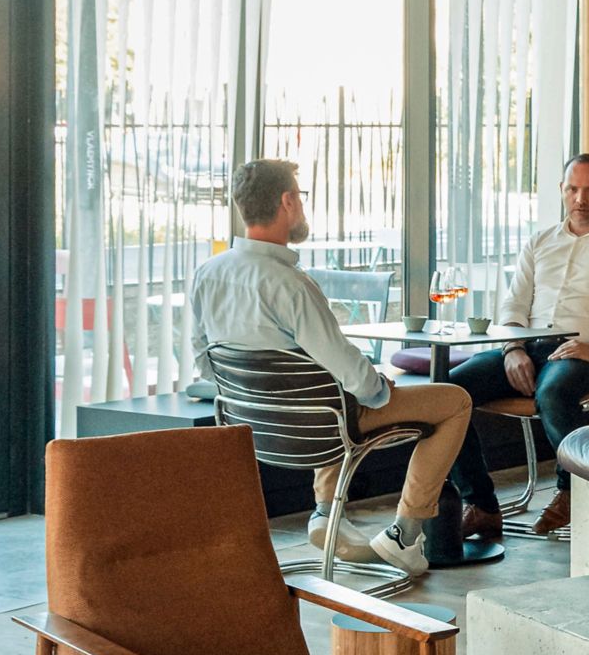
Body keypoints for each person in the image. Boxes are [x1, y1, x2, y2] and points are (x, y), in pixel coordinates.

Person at [189, 158, 473, 579]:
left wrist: (258, 394)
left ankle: (326, 513)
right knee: (455, 401)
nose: (302, 206)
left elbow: (203, 360)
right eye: (301, 197)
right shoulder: (291, 285)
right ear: (288, 201)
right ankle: (405, 534)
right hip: (321, 428)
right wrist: (379, 387)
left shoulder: (207, 273)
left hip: (254, 427)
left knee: (328, 391)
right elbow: (350, 371)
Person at [447, 152, 589, 540]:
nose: (580, 199)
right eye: (572, 189)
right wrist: (512, 349)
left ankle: (572, 491)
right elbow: (513, 306)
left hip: (585, 354)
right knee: (447, 393)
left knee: (553, 390)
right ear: (562, 190)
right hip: (529, 348)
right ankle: (481, 505)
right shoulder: (539, 242)